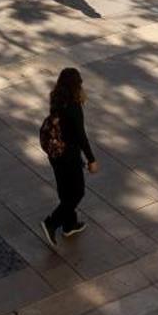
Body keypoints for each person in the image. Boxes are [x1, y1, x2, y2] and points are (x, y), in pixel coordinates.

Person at [39, 67, 98, 246]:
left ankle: (69, 225)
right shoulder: (73, 106)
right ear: (76, 85)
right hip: (69, 155)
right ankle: (52, 222)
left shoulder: (56, 97)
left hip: (54, 152)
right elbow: (81, 135)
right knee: (78, 191)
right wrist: (91, 159)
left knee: (65, 190)